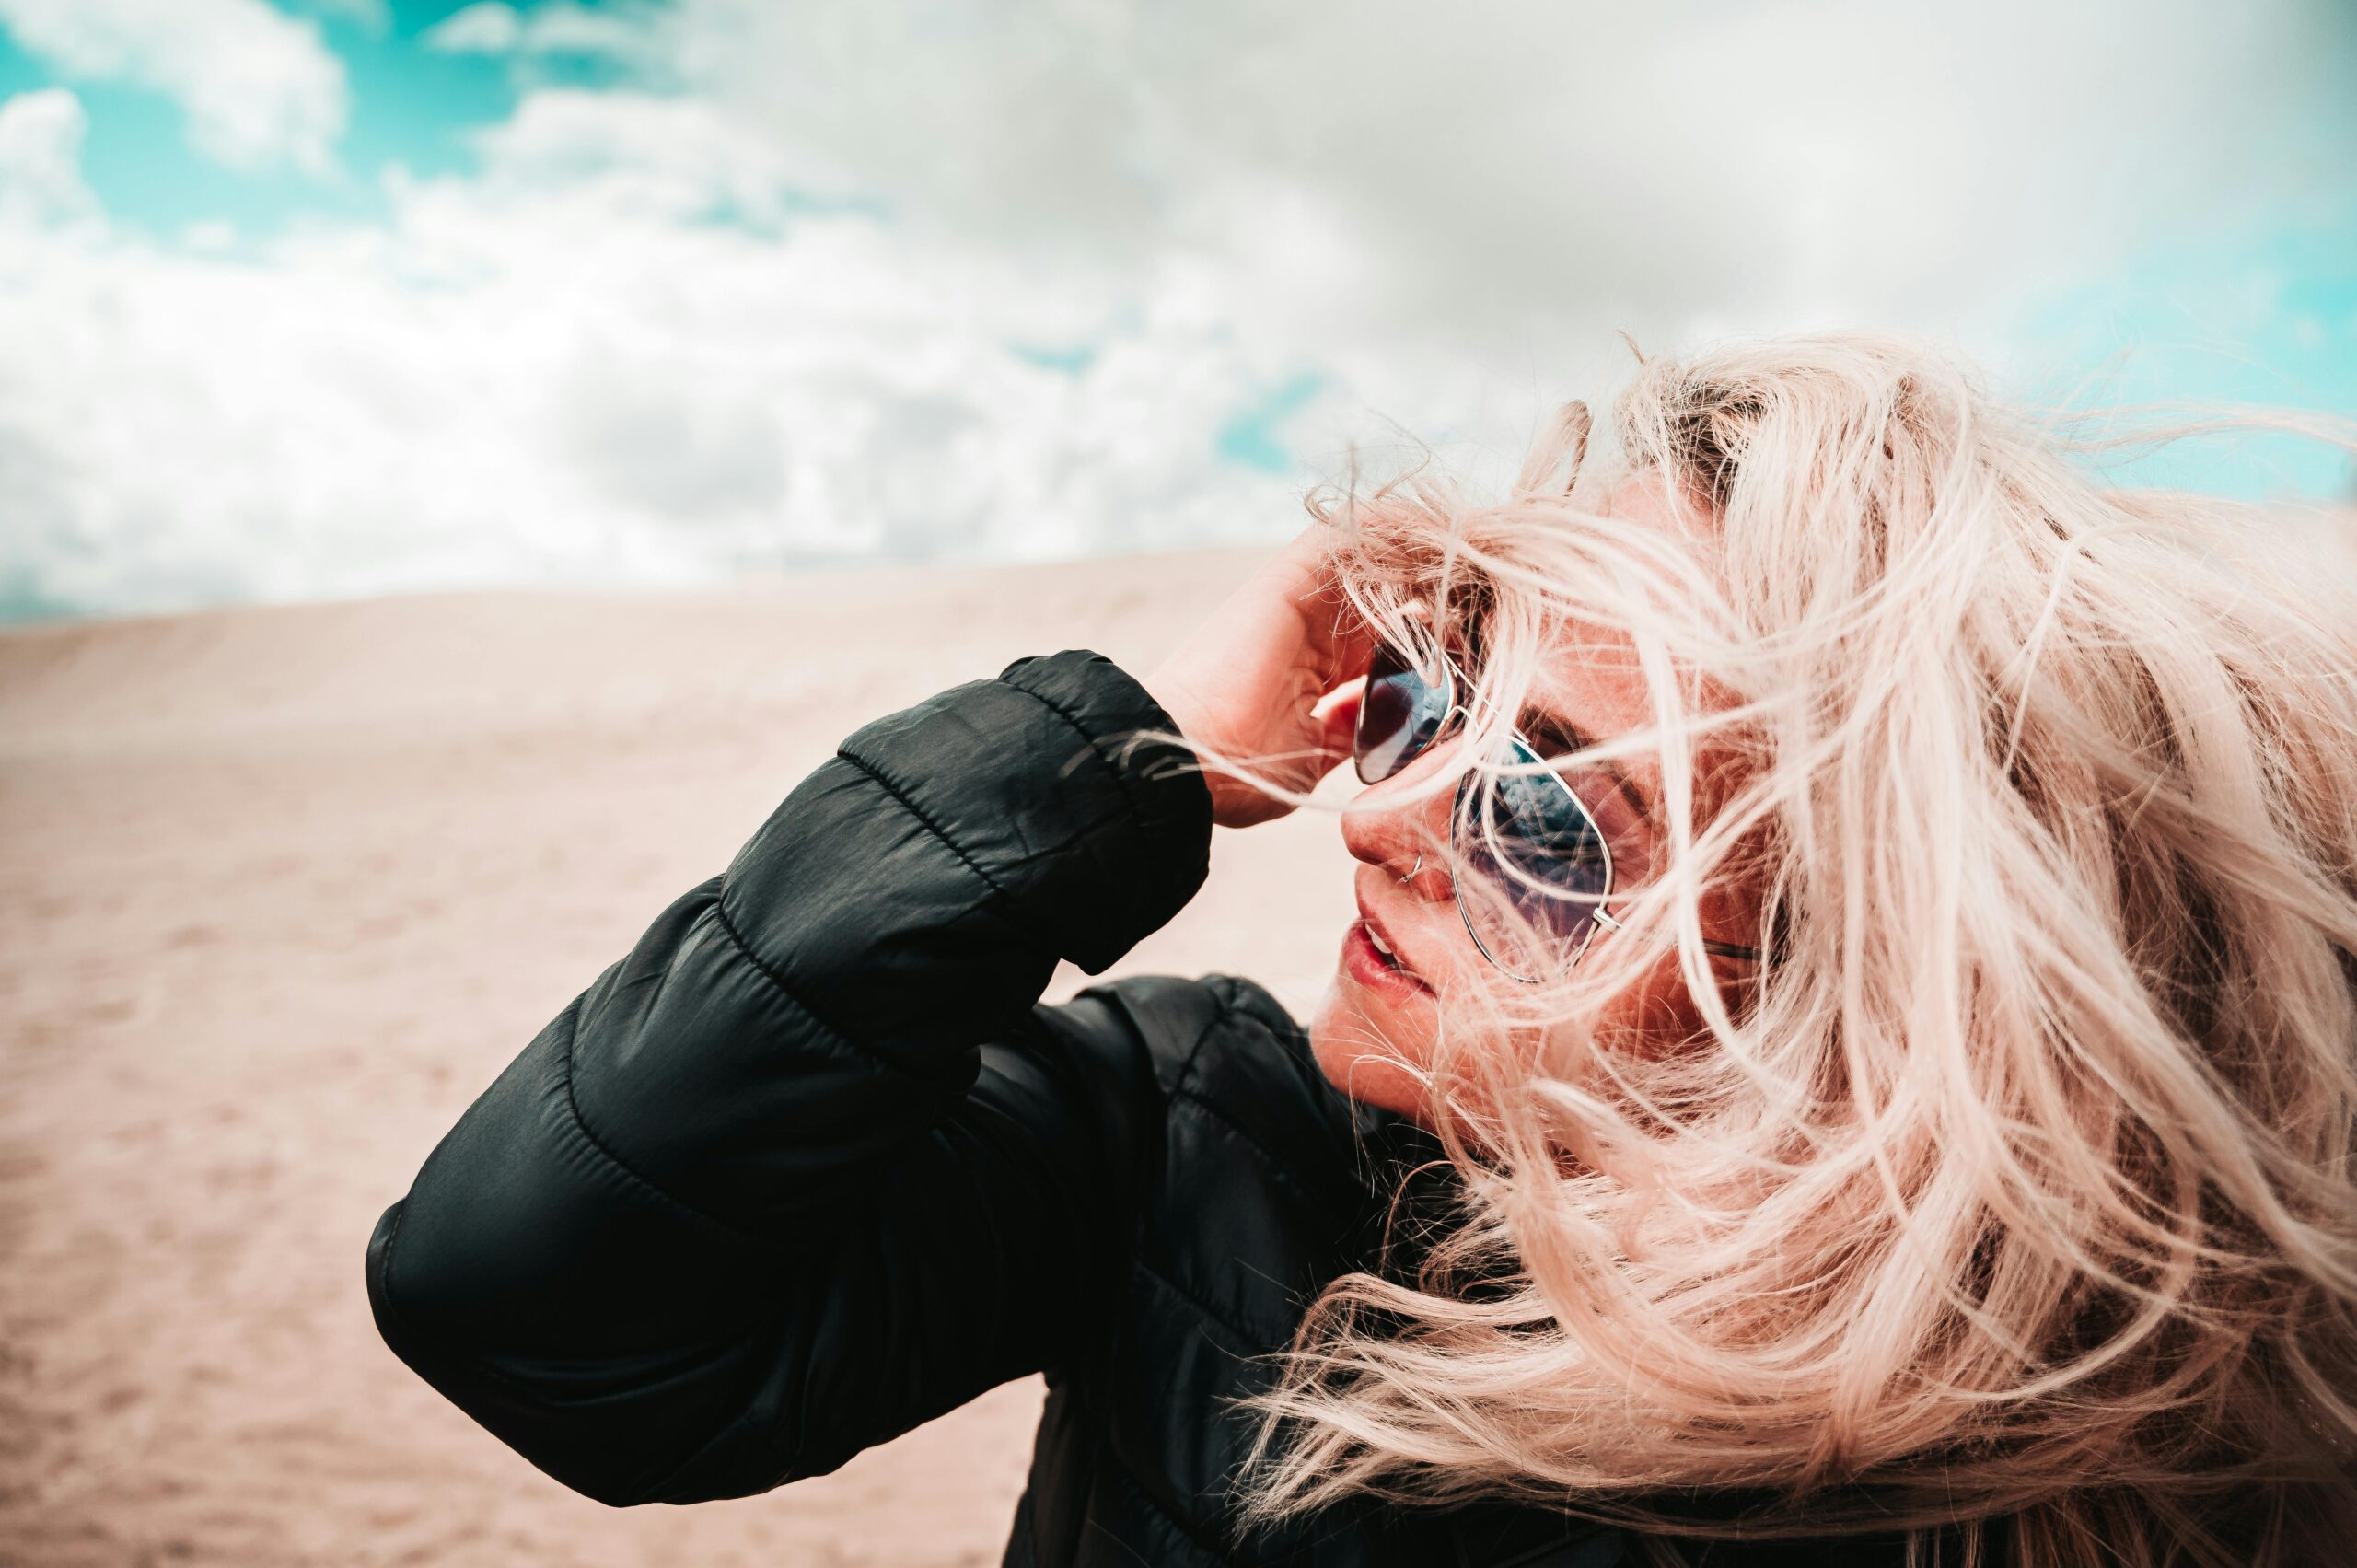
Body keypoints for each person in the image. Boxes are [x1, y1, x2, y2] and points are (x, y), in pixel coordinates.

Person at [366, 334, 2357, 1566]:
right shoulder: (1205, 1134)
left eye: (1550, 811)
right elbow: (543, 1310)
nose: (1386, 816)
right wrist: (1112, 755)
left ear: (1875, 959)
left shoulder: (2113, 1428)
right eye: (1422, 708)